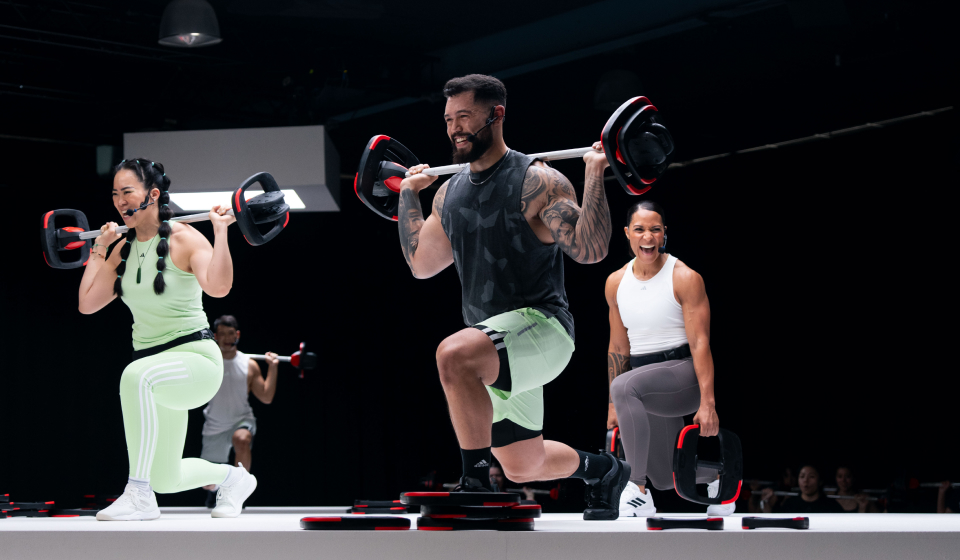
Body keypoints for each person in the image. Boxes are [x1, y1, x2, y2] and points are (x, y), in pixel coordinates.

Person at [398, 74, 630, 520]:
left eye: (464, 117)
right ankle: (603, 470)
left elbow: (591, 250)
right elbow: (422, 265)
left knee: (453, 355)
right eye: (449, 119)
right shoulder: (448, 193)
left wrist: (594, 174)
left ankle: (474, 481)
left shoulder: (538, 181)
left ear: (496, 114)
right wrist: (408, 196)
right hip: (492, 344)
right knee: (524, 465)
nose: (455, 129)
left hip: (544, 330)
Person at [78, 158, 256, 521]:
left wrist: (222, 232)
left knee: (134, 376)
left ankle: (137, 493)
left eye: (128, 192)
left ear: (153, 194)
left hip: (196, 362)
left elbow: (220, 287)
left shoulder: (185, 237)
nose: (119, 201)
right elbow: (87, 303)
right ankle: (234, 478)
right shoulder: (121, 250)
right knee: (166, 477)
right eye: (115, 194)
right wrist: (99, 249)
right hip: (156, 373)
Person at [605, 201, 727, 517]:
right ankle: (720, 481)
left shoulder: (684, 277)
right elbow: (618, 347)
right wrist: (612, 404)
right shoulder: (616, 283)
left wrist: (708, 403)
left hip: (682, 377)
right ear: (627, 234)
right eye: (640, 229)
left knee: (625, 387)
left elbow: (701, 343)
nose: (648, 237)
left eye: (655, 229)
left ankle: (635, 488)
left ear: (664, 234)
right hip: (643, 383)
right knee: (665, 476)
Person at [199, 315, 279, 507]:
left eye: (231, 333)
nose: (227, 338)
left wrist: (273, 368)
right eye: (223, 334)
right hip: (214, 425)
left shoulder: (249, 364)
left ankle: (235, 492)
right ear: (216, 336)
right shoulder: (207, 362)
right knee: (207, 483)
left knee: (242, 439)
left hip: (241, 421)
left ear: (238, 335)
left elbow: (266, 397)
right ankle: (217, 490)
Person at [761, 465, 842, 513]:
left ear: (820, 481)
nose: (805, 481)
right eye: (802, 476)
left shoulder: (831, 506)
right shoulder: (790, 504)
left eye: (811, 477)